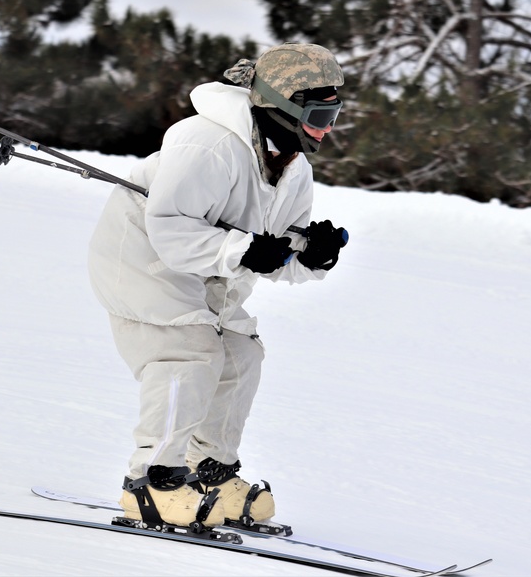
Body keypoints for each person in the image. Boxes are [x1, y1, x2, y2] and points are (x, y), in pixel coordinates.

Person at [87, 42, 349, 531]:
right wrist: (246, 251)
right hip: (144, 259)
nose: (327, 126)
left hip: (209, 272)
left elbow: (273, 252)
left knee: (240, 355)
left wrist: (311, 255)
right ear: (282, 105)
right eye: (318, 112)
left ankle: (210, 473)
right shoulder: (205, 143)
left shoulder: (294, 168)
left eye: (335, 111)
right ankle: (152, 483)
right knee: (189, 353)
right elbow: (171, 230)